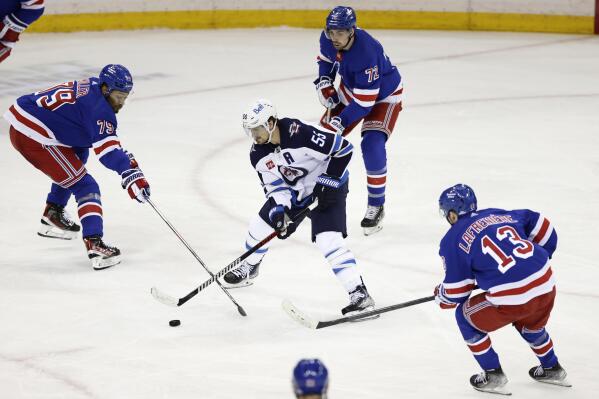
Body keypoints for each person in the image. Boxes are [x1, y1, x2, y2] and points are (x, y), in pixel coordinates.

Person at [223, 99, 375, 316]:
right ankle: (249, 267)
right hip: (296, 193)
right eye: (250, 130)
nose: (254, 135)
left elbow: (343, 150)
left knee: (327, 239)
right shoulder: (257, 153)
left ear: (271, 122)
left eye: (257, 129)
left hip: (329, 187)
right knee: (260, 224)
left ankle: (359, 293)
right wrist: (280, 211)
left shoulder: (300, 133)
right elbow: (275, 187)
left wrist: (328, 180)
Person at [3, 64, 150, 270]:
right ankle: (95, 244)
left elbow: (90, 133)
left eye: (125, 96)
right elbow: (108, 153)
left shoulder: (94, 86)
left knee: (80, 150)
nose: (121, 102)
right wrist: (130, 172)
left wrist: (128, 166)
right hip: (34, 136)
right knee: (86, 186)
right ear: (106, 88)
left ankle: (53, 213)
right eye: (118, 96)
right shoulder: (100, 110)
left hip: (32, 121)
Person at [434, 184, 571, 395]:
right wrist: (535, 259)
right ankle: (552, 367)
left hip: (513, 297)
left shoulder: (452, 240)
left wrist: (442, 296)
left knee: (464, 317)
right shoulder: (497, 214)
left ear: (452, 214)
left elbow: (457, 293)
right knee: (531, 324)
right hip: (545, 282)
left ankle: (493, 374)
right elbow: (544, 228)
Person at [314, 6, 403, 235]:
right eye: (331, 31)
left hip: (383, 97)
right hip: (352, 90)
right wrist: (325, 81)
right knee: (321, 142)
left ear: (352, 30)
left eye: (340, 32)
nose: (335, 37)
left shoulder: (367, 51)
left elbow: (365, 104)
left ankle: (376, 204)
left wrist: (340, 122)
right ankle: (310, 191)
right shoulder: (328, 38)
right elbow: (326, 60)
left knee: (371, 143)